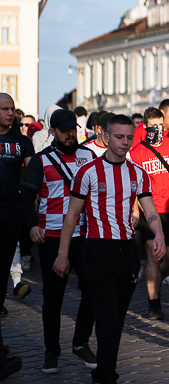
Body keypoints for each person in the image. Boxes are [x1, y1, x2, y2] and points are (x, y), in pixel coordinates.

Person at [54, 114, 166, 384]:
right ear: (105, 136)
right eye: (119, 137)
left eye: (129, 137)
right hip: (97, 249)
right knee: (106, 316)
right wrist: (63, 253)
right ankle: (106, 376)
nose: (125, 142)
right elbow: (72, 216)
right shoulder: (87, 172)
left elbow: (149, 208)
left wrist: (159, 232)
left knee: (117, 317)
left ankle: (105, 370)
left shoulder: (138, 173)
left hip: (127, 251)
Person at [20, 109, 98, 374]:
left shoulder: (89, 156)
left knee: (92, 290)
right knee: (53, 298)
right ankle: (51, 351)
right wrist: (32, 226)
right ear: (52, 131)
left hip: (85, 236)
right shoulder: (41, 161)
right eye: (64, 130)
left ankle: (80, 343)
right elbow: (26, 196)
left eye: (73, 129)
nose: (70, 134)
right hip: (52, 237)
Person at [129, 107, 169, 320]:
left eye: (160, 126)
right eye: (152, 127)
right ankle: (154, 303)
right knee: (154, 255)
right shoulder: (136, 152)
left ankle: (154, 282)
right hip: (149, 210)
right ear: (144, 127)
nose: (157, 130)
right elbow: (133, 184)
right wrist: (135, 209)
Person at [0, 93, 34, 379]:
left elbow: (33, 177)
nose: (10, 113)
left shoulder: (22, 142)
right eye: (4, 109)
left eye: (12, 109)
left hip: (11, 216)